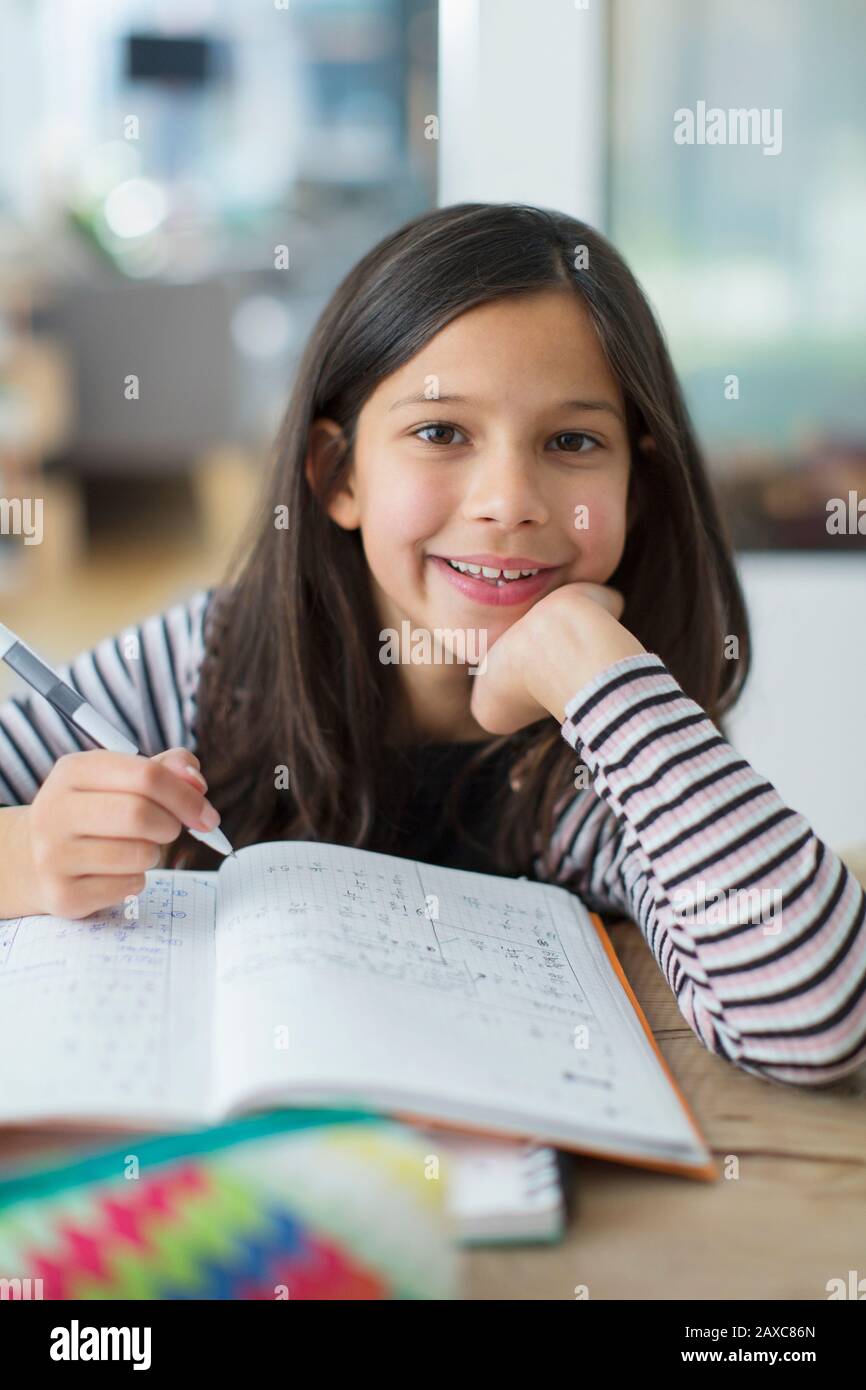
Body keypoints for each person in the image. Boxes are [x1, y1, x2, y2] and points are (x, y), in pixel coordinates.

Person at [1, 202, 863, 1089]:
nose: (508, 500)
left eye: (573, 441)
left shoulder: (593, 757)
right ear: (337, 476)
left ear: (636, 487)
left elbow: (814, 1014)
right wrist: (27, 854)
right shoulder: (201, 665)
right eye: (442, 432)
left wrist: (588, 663)